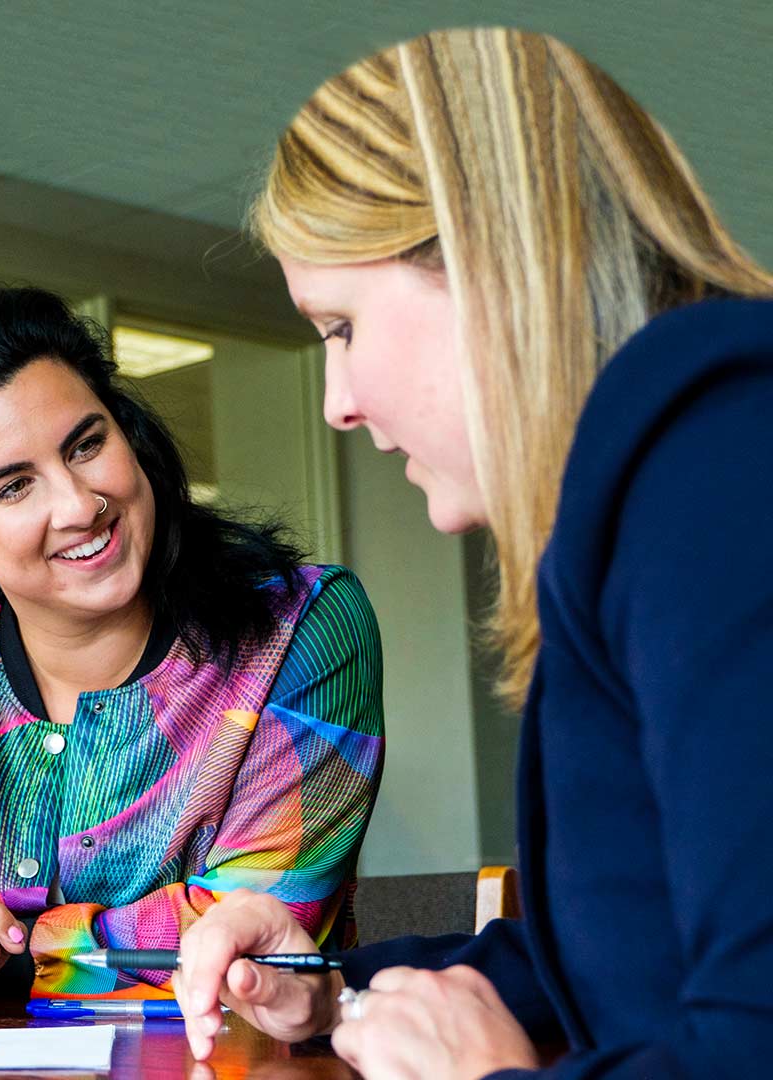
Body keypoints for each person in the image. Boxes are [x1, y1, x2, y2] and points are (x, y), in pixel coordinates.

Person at [172, 27, 773, 1079]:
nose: (340, 403)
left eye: (342, 326)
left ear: (484, 254)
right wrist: (329, 987)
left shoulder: (716, 455)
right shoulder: (659, 479)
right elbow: (610, 950)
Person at [0, 284, 385, 1014]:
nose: (79, 504)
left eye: (87, 445)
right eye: (14, 486)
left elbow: (257, 936)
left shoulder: (300, 625)